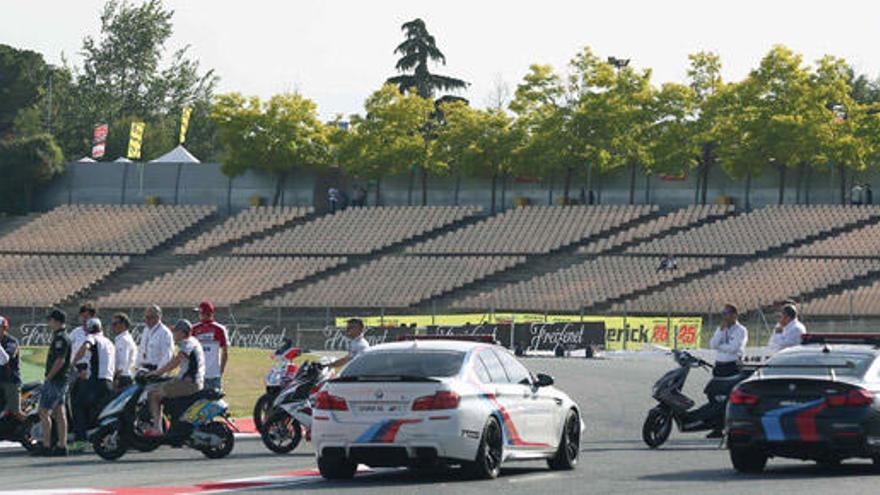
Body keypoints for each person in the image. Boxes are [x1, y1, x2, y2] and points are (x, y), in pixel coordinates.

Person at [144, 319, 205, 436]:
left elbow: (176, 361)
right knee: (163, 386)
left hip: (189, 384)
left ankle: (157, 429)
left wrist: (158, 373)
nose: (173, 334)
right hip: (189, 381)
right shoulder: (191, 342)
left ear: (182, 332)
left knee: (153, 394)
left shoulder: (188, 343)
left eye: (175, 332)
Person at [33, 309, 71, 457]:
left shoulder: (60, 338)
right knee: (59, 412)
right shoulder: (60, 337)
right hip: (60, 379)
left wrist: (49, 377)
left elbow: (60, 360)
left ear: (56, 321)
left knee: (43, 411)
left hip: (56, 380)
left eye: (51, 320)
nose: (49, 323)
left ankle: (47, 444)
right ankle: (61, 445)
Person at [72, 318, 115, 446]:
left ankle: (81, 439)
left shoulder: (92, 338)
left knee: (78, 405)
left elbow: (86, 347)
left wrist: (73, 362)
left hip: (96, 381)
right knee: (102, 411)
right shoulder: (109, 342)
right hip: (108, 381)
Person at [68, 302, 96, 447]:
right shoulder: (76, 332)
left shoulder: (96, 334)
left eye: (87, 317)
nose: (84, 320)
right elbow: (68, 348)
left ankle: (82, 436)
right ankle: (76, 432)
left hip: (88, 373)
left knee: (82, 405)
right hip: (74, 372)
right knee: (72, 403)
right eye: (82, 317)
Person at [191, 301, 228, 391]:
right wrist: (221, 370)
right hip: (214, 374)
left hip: (198, 373)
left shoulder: (194, 329)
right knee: (214, 402)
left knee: (196, 403)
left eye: (200, 313)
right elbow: (225, 352)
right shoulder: (220, 329)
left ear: (203, 314)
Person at [709, 304, 748, 378]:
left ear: (734, 315)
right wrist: (721, 331)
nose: (724, 317)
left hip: (732, 366)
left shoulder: (741, 330)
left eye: (726, 313)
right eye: (723, 314)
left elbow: (734, 348)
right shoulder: (721, 329)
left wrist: (719, 347)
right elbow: (712, 345)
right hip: (719, 365)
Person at [138, 305, 174, 374]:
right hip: (143, 369)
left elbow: (167, 355)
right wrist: (137, 367)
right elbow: (141, 349)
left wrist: (158, 372)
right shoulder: (146, 330)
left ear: (158, 317)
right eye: (145, 317)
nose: (146, 320)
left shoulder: (165, 332)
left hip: (156, 370)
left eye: (149, 317)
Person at [0, 316, 22, 420]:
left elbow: (7, 358)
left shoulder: (12, 342)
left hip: (10, 381)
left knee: (16, 411)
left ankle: (28, 429)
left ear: (4, 329)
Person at [112, 313, 137, 391]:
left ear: (123, 324)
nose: (113, 326)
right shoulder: (122, 339)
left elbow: (123, 362)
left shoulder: (124, 340)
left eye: (115, 324)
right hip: (125, 376)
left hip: (123, 377)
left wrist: (116, 378)